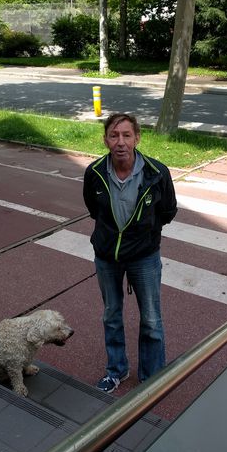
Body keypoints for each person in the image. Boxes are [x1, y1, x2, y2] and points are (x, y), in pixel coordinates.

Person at [83, 113, 177, 394]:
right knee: (111, 315)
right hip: (107, 257)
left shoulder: (157, 172)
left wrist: (144, 235)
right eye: (114, 135)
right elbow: (93, 208)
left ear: (137, 138)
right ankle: (116, 371)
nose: (120, 142)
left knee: (151, 319)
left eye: (126, 135)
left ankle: (152, 376)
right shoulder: (95, 172)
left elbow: (168, 211)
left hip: (144, 257)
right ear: (105, 140)